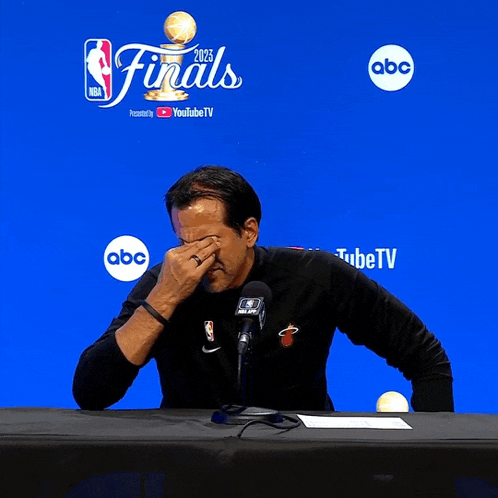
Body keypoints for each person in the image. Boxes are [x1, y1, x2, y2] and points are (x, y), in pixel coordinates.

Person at [73, 166, 454, 412]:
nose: (197, 257)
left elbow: (425, 358)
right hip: (193, 466)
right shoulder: (167, 281)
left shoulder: (313, 276)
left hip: (300, 464)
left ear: (249, 231)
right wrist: (164, 299)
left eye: (208, 241)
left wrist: (431, 462)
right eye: (184, 242)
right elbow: (91, 393)